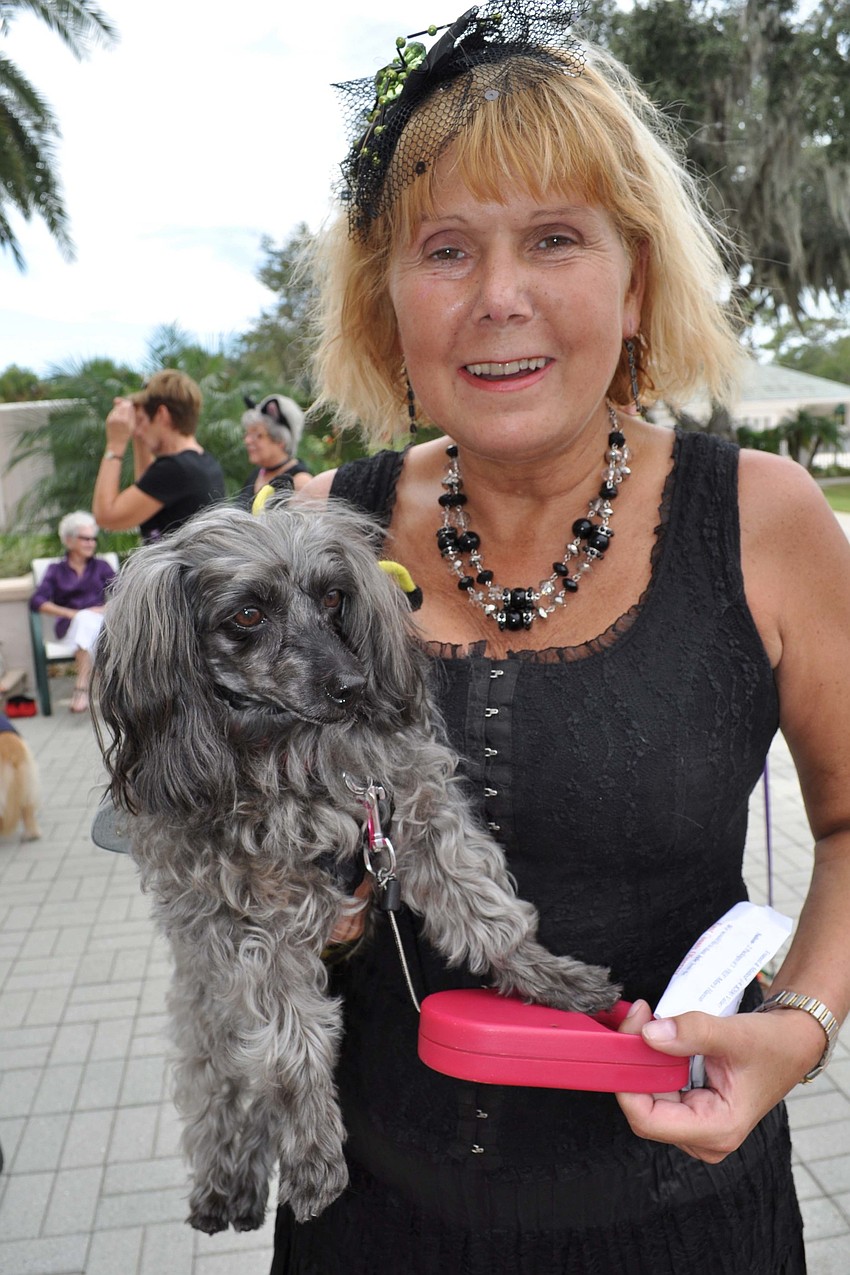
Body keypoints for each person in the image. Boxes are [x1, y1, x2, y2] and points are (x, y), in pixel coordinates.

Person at [268, 4, 850, 1273]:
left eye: (554, 239)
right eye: (444, 250)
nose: (499, 298)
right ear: (388, 298)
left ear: (635, 279)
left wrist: (799, 1027)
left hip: (684, 1221)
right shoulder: (311, 538)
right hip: (363, 1222)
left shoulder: (763, 521)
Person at [92, 368, 225, 542]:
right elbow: (147, 484)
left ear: (162, 414)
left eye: (140, 421)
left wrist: (115, 444)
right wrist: (139, 437)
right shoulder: (204, 463)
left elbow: (106, 516)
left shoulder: (176, 470)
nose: (137, 431)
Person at [29, 511, 116, 713]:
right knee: (85, 619)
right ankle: (104, 688)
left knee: (89, 621)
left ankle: (82, 685)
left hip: (99, 626)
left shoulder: (102, 567)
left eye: (93, 539)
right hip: (68, 630)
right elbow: (37, 601)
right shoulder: (55, 570)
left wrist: (103, 609)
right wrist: (73, 614)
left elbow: (123, 592)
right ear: (69, 540)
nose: (91, 543)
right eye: (85, 538)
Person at [235, 394, 312, 509]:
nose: (247, 441)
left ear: (281, 440)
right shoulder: (256, 475)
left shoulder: (300, 482)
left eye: (258, 435)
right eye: (247, 434)